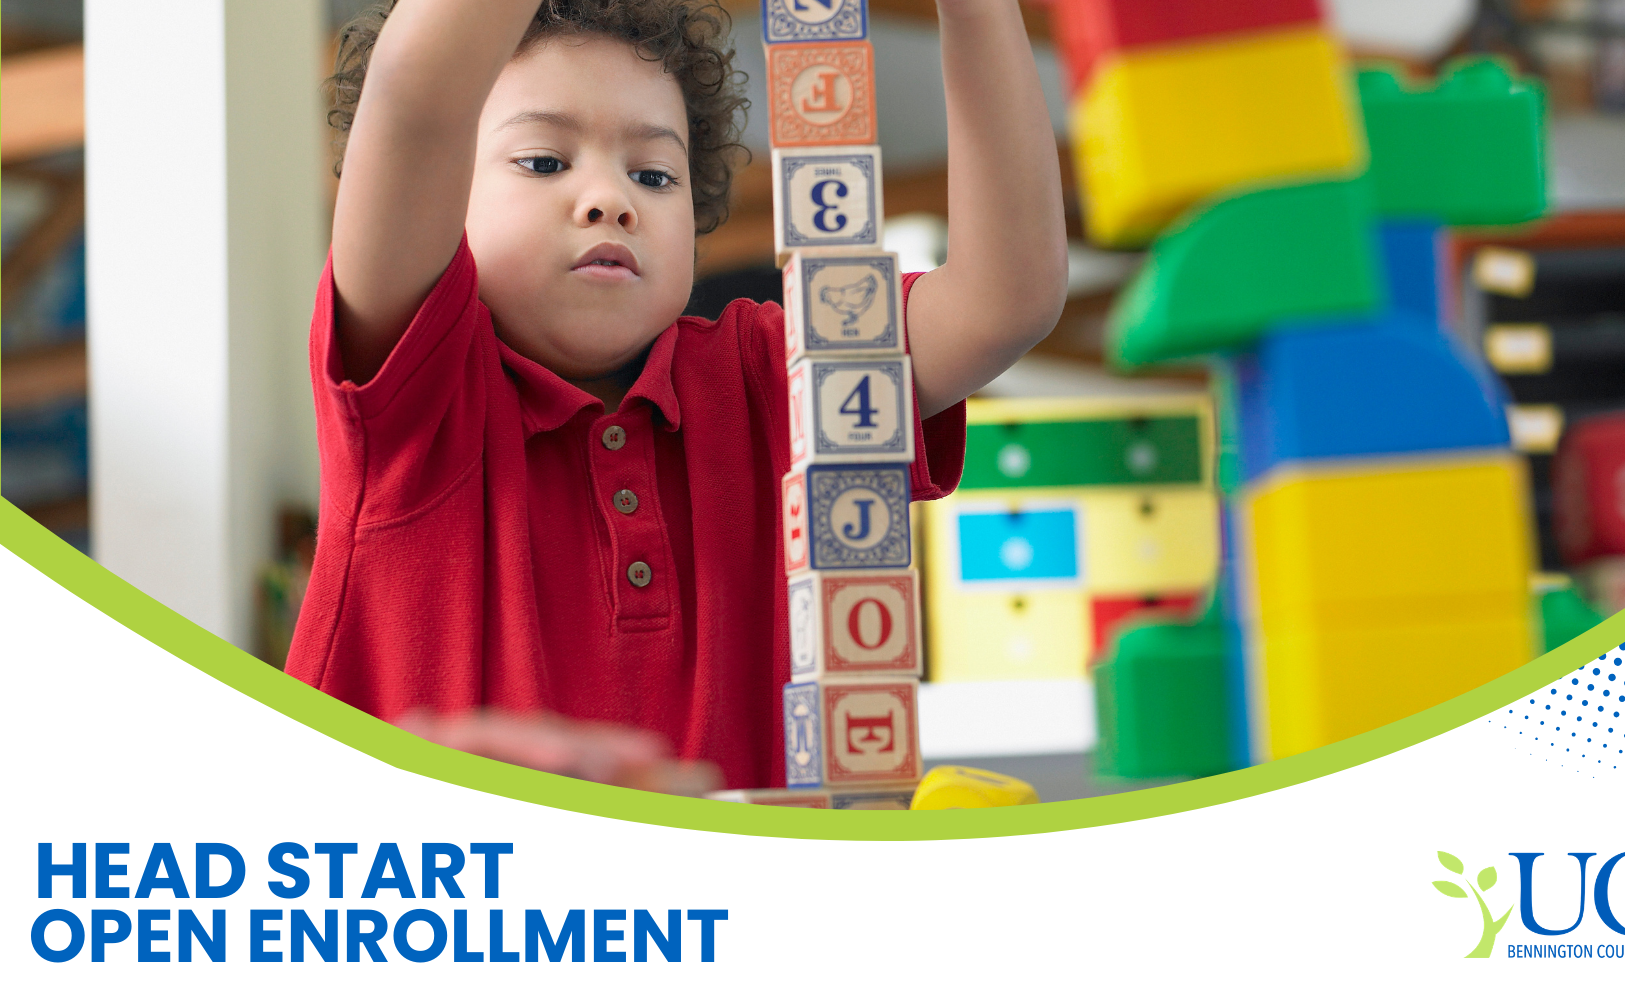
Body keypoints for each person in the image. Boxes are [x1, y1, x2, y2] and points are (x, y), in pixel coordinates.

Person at [286, 0, 1067, 792]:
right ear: (437, 193)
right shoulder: (412, 397)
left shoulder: (772, 373)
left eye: (654, 175)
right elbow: (414, 98)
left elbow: (1007, 298)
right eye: (544, 162)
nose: (609, 199)